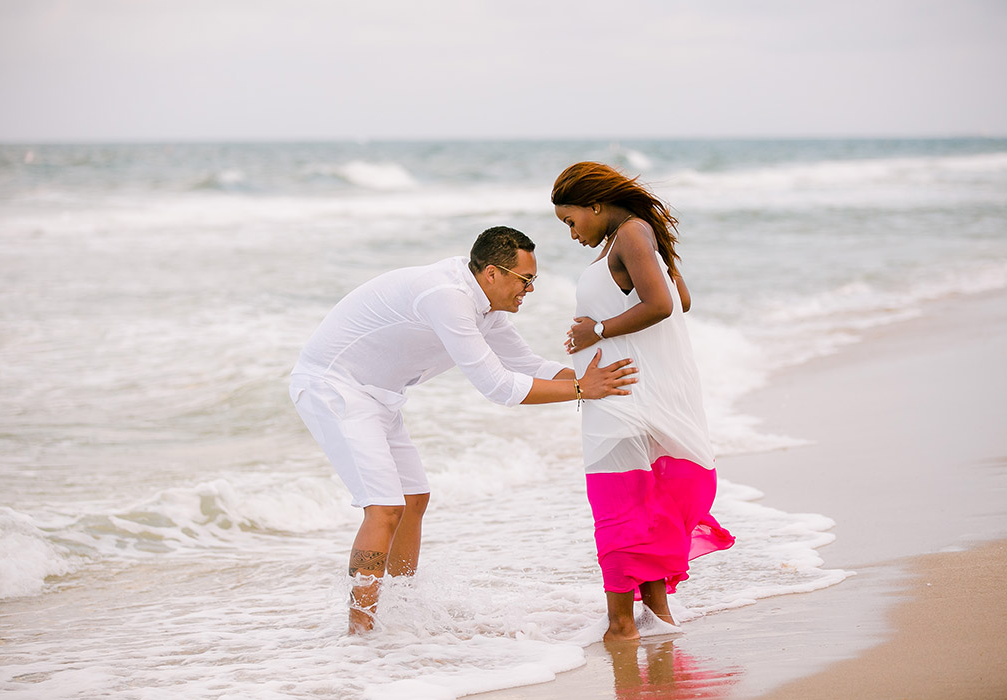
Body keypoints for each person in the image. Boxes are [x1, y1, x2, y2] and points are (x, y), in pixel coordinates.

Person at [289, 225, 637, 634]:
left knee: (414, 498)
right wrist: (582, 389)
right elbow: (499, 387)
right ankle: (360, 633)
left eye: (533, 282)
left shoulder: (486, 307)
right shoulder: (447, 298)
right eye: (525, 281)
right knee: (383, 507)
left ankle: (399, 610)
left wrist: (599, 380)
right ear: (492, 273)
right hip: (334, 388)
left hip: (380, 395)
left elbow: (526, 366)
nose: (529, 291)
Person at [551, 162, 735, 642]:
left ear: (595, 205)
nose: (571, 234)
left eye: (571, 221)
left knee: (616, 509)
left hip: (625, 397)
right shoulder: (636, 237)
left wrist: (597, 330)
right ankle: (655, 618)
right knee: (641, 507)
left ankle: (621, 626)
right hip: (631, 391)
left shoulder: (632, 233)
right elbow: (682, 298)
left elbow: (663, 304)